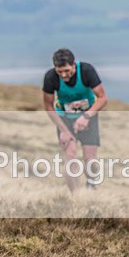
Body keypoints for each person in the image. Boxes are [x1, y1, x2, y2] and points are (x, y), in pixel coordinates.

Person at [42, 48, 108, 192]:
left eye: (67, 70)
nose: (64, 75)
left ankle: (91, 185)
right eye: (60, 72)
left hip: (88, 118)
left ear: (73, 64)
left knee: (90, 158)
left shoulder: (86, 71)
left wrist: (86, 117)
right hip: (64, 119)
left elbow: (102, 98)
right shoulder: (51, 77)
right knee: (70, 156)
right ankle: (76, 196)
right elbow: (48, 105)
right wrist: (64, 130)